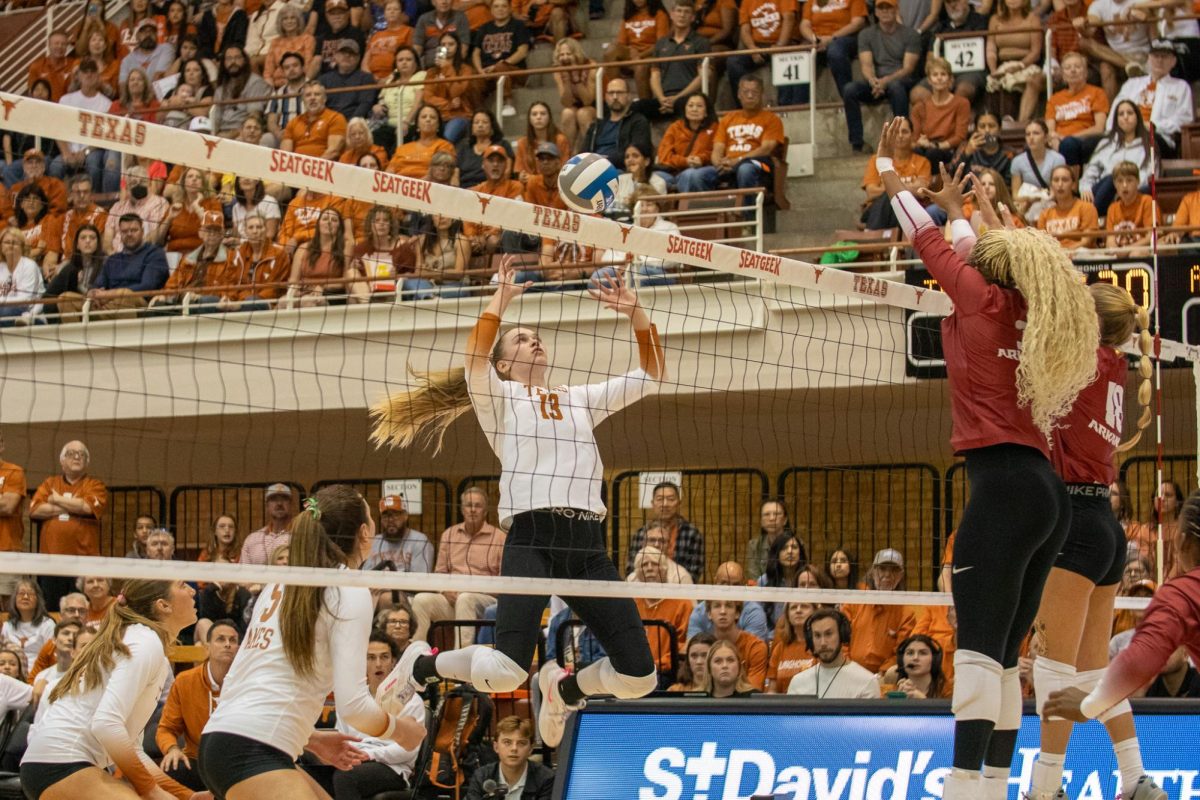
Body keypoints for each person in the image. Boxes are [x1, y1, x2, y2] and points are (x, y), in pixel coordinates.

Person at [875, 117, 1098, 800]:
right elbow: (971, 242)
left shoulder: (975, 294)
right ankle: (991, 788)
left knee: (978, 653)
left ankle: (963, 787)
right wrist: (959, 207)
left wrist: (888, 169)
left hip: (1002, 489)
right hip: (1046, 496)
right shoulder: (1029, 303)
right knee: (1004, 660)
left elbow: (925, 237)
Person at [371, 257, 664, 748]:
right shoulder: (500, 397)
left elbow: (653, 372)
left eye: (535, 335)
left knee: (640, 677)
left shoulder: (580, 397)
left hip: (585, 546)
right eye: (521, 338)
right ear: (503, 362)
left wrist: (636, 313)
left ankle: (564, 688)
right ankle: (421, 665)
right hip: (531, 537)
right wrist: (500, 299)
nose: (534, 340)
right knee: (506, 671)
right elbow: (475, 357)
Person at [200, 486, 428, 798]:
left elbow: (239, 680)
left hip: (222, 740)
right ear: (364, 533)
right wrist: (403, 731)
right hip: (254, 749)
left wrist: (312, 738)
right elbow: (354, 707)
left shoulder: (283, 583)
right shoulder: (348, 588)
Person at [1025, 283, 1161, 800]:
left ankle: (1044, 790)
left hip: (1075, 522)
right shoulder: (1116, 365)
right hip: (1104, 522)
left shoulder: (1078, 363)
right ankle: (1134, 778)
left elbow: (1041, 304)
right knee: (1093, 673)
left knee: (1055, 673)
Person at [1044, 488, 1200, 773]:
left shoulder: (1184, 594)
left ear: (1182, 540)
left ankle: (1045, 784)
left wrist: (1089, 704)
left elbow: (1139, 660)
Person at [19, 579, 199, 800]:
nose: (193, 590)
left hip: (50, 764)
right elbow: (106, 724)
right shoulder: (145, 641)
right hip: (62, 763)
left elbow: (132, 749)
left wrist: (186, 796)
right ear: (163, 605)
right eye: (183, 585)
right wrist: (151, 791)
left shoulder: (142, 642)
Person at [331, 633, 426, 799]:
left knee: (345, 778)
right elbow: (342, 737)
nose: (378, 664)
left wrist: (370, 755)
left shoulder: (411, 699)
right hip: (355, 759)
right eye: (371, 658)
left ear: (394, 662)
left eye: (384, 657)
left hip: (392, 767)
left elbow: (409, 751)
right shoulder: (351, 699)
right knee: (312, 771)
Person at [409, 488, 505, 646]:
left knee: (466, 598)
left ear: (485, 511)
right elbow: (439, 573)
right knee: (421, 600)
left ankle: (460, 658)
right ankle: (416, 654)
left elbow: (503, 583)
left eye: (478, 505)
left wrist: (471, 590)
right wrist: (445, 591)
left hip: (484, 601)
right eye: (468, 505)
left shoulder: (499, 537)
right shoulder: (449, 534)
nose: (473, 510)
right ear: (462, 509)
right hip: (453, 599)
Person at [156, 619, 242, 792]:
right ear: (206, 647)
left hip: (237, 764)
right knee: (172, 767)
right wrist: (172, 749)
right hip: (197, 761)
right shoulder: (185, 681)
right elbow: (166, 729)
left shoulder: (248, 682)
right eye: (220, 639)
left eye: (232, 640)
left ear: (239, 649)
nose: (227, 645)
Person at [676, 75, 781, 211]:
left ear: (762, 94)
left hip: (757, 164)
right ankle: (709, 215)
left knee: (745, 169)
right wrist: (719, 163)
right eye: (745, 92)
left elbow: (767, 148)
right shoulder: (728, 119)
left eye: (754, 92)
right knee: (695, 175)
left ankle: (746, 218)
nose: (750, 95)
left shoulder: (772, 119)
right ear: (738, 94)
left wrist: (738, 160)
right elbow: (718, 148)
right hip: (727, 165)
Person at [29, 442, 108, 608]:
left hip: (84, 563)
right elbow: (35, 510)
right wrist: (74, 505)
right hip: (51, 563)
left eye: (82, 454)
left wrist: (57, 499)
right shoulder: (49, 483)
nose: (77, 457)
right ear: (62, 461)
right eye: (71, 453)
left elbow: (87, 507)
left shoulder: (95, 485)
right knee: (51, 608)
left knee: (81, 608)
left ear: (87, 462)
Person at [842, 0, 920, 152]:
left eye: (888, 7)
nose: (884, 11)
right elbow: (866, 64)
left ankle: (902, 139)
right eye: (881, 8)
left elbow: (908, 68)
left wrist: (886, 81)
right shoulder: (866, 34)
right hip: (877, 82)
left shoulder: (910, 34)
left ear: (896, 9)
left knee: (896, 88)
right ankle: (857, 143)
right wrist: (873, 81)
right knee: (850, 89)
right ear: (876, 12)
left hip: (900, 80)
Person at [1108, 39, 1193, 159]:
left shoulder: (1180, 87)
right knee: (1088, 144)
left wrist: (1154, 126)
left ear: (1173, 61)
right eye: (1156, 56)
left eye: (1164, 56)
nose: (1159, 60)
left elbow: (1184, 120)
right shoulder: (1131, 84)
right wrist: (1112, 133)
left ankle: (1142, 174)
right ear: (1149, 58)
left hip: (1160, 137)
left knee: (1146, 139)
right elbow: (1114, 113)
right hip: (1125, 134)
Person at [630, 0, 709, 123]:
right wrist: (661, 98)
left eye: (687, 12)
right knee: (635, 108)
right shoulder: (661, 43)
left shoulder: (701, 42)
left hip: (688, 98)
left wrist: (677, 98)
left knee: (691, 106)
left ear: (693, 17)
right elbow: (655, 75)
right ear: (672, 15)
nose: (682, 15)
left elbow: (702, 76)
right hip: (664, 99)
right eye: (679, 11)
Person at [842, 548, 918, 674]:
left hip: (882, 677)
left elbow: (901, 651)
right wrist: (847, 667)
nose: (887, 575)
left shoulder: (906, 614)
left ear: (901, 575)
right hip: (848, 670)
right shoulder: (854, 600)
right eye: (882, 569)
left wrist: (882, 673)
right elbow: (841, 639)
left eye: (893, 570)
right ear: (873, 572)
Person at [1080, 100, 1155, 218]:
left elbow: (1148, 175)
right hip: (1105, 193)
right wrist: (1085, 188)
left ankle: (1090, 217)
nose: (1125, 117)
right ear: (1116, 119)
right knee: (1112, 177)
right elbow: (1091, 170)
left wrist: (1125, 190)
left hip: (1134, 192)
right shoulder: (1106, 144)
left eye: (1130, 113)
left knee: (1128, 180)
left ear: (1137, 117)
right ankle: (1090, 217)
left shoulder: (1148, 146)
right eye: (1121, 114)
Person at [787, 608, 880, 698]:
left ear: (842, 635)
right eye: (817, 635)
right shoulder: (798, 683)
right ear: (811, 640)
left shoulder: (867, 682)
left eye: (828, 634)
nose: (823, 643)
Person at [631, 546, 693, 680]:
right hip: (635, 674)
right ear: (637, 573)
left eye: (654, 563)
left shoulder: (682, 603)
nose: (649, 568)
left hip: (668, 674)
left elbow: (683, 645)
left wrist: (657, 665)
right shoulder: (631, 604)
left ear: (665, 569)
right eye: (644, 564)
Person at [860, 115, 931, 231]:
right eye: (896, 132)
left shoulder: (922, 162)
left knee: (897, 198)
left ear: (913, 135)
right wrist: (904, 188)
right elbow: (871, 192)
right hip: (877, 210)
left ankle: (871, 236)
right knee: (892, 198)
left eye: (905, 132)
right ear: (890, 135)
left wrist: (888, 188)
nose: (900, 136)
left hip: (910, 210)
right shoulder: (877, 160)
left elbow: (921, 191)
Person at [626, 482, 704, 582]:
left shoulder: (691, 533)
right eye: (660, 499)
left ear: (679, 503)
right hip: (643, 590)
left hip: (678, 589)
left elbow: (694, 572)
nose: (665, 504)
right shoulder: (641, 534)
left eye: (671, 499)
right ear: (652, 503)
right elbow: (632, 567)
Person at [1045, 52, 1109, 174]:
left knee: (1069, 144)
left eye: (1077, 67)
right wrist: (1055, 140)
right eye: (1068, 68)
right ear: (1063, 75)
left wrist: (1069, 137)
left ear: (1085, 73)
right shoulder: (1055, 99)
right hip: (1060, 142)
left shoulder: (1097, 93)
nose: (1073, 70)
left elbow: (1099, 128)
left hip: (1086, 140)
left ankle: (1072, 186)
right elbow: (1050, 130)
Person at [466, 717, 554, 800]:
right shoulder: (481, 777)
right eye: (507, 742)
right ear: (496, 747)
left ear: (530, 749)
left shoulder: (546, 779)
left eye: (521, 743)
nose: (514, 748)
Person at [471, 0, 532, 118]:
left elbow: (522, 51)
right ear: (491, 10)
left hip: (513, 70)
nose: (500, 9)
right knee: (472, 79)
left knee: (501, 67)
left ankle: (507, 102)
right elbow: (476, 53)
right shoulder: (484, 28)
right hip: (487, 73)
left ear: (510, 9)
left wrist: (498, 66)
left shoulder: (518, 25)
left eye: (504, 6)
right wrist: (480, 71)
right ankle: (480, 113)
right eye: (496, 6)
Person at [984, 0, 1042, 123]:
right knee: (993, 81)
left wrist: (1019, 65)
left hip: (1026, 65)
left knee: (1012, 81)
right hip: (1002, 65)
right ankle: (996, 125)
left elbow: (1036, 52)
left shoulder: (1033, 19)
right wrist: (993, 69)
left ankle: (1017, 125)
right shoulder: (995, 20)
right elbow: (991, 49)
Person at [798, 0, 867, 103]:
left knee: (835, 51)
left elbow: (857, 23)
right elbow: (804, 25)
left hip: (845, 37)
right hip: (817, 40)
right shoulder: (812, 2)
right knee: (800, 56)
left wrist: (831, 38)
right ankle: (799, 103)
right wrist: (815, 40)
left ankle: (848, 98)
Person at [911, 57, 970, 173]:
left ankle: (936, 186)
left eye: (943, 74)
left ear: (950, 79)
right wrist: (920, 142)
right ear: (929, 80)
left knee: (933, 153)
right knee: (917, 151)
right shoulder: (919, 107)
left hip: (948, 148)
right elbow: (915, 137)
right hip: (927, 146)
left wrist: (937, 145)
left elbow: (960, 137)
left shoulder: (962, 103)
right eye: (935, 75)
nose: (939, 78)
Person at [581, 77, 653, 171]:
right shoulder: (596, 126)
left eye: (619, 92)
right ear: (606, 97)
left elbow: (636, 153)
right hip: (594, 170)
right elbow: (583, 153)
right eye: (611, 93)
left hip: (621, 169)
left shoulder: (638, 122)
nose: (615, 97)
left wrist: (602, 161)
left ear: (629, 96)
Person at [423, 32, 480, 144]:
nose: (447, 47)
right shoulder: (431, 72)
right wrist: (448, 104)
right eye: (443, 44)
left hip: (460, 115)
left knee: (445, 139)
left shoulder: (466, 70)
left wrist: (448, 69)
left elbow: (456, 92)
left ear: (457, 47)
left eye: (451, 44)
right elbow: (428, 97)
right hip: (438, 116)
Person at [687, 562, 770, 639]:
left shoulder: (754, 613)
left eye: (736, 585)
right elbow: (693, 647)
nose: (730, 590)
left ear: (744, 583)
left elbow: (753, 649)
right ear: (715, 582)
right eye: (724, 584)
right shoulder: (699, 611)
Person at [654, 92, 717, 191]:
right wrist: (685, 161)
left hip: (705, 169)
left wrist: (701, 159)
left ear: (706, 112)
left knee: (690, 174)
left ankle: (688, 206)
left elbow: (718, 152)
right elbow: (664, 155)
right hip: (675, 171)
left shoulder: (715, 128)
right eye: (690, 105)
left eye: (699, 106)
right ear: (685, 109)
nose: (694, 109)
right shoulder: (675, 127)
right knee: (654, 178)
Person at [1011, 120, 1065, 224]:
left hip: (1051, 202)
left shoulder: (1057, 159)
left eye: (1036, 133)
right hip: (1028, 203)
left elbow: (1058, 189)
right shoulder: (1017, 161)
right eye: (1028, 134)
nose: (1031, 137)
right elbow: (1015, 194)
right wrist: (1032, 198)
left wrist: (1042, 197)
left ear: (1045, 137)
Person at [1127, 482, 1184, 580]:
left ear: (1177, 502)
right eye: (1158, 495)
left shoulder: (1183, 529)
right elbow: (1145, 563)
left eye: (1168, 495)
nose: (1162, 498)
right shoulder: (1145, 530)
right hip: (1150, 584)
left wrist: (1167, 584)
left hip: (1178, 583)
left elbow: (1180, 563)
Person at [364, 494, 434, 573]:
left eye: (395, 514)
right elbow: (365, 575)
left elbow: (419, 580)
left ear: (405, 516)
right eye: (386, 516)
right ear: (381, 519)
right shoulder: (373, 542)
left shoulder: (420, 541)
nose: (390, 519)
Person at [706, 599, 767, 689]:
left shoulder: (755, 646)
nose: (723, 611)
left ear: (737, 613)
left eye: (729, 606)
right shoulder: (705, 646)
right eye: (717, 606)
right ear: (709, 614)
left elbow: (753, 691)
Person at [280, 81, 348, 160]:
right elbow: (284, 154)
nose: (312, 98)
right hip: (296, 169)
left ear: (324, 99)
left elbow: (333, 151)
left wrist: (312, 167)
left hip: (323, 168)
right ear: (303, 100)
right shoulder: (293, 122)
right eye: (308, 95)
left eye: (317, 94)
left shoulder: (336, 118)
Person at [1037, 165, 1099, 250]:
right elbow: (1042, 244)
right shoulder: (1045, 214)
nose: (1060, 184)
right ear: (1051, 185)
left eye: (1065, 180)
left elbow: (1086, 242)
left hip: (1080, 257)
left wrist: (1065, 253)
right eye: (1056, 180)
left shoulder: (1087, 208)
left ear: (1073, 184)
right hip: (1055, 258)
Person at [1104, 161, 1159, 254]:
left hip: (1141, 251)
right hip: (1119, 252)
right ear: (1114, 184)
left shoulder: (1147, 202)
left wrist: (1126, 250)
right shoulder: (1112, 208)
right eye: (1120, 181)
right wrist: (1115, 250)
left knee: (1136, 254)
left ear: (1138, 181)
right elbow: (1110, 239)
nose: (1124, 185)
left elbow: (1151, 237)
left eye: (1129, 180)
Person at [386, 105, 455, 178]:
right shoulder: (402, 148)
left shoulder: (445, 146)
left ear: (438, 125)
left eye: (433, 117)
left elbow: (442, 174)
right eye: (424, 117)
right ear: (417, 124)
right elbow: (389, 171)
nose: (428, 119)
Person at [2, 579, 56, 674]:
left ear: (38, 599)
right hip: (11, 675)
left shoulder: (48, 624)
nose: (25, 597)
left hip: (40, 674)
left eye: (30, 594)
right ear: (14, 599)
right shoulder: (7, 626)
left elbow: (52, 656)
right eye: (21, 593)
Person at [551, 38, 598, 148]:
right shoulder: (558, 70)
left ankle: (590, 152)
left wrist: (576, 77)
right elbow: (567, 103)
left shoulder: (590, 65)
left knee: (583, 114)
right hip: (576, 105)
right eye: (561, 55)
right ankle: (568, 155)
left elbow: (587, 101)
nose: (565, 58)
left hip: (596, 104)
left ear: (576, 54)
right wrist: (567, 80)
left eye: (568, 54)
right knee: (567, 113)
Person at [319, 40, 378, 122]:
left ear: (358, 58)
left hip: (355, 124)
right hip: (328, 122)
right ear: (336, 56)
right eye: (343, 52)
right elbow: (320, 105)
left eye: (351, 53)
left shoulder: (366, 78)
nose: (347, 55)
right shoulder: (323, 79)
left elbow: (365, 104)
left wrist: (351, 123)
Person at [766, 601, 818, 693]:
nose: (798, 610)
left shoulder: (820, 645)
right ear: (788, 616)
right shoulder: (780, 648)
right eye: (793, 607)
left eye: (804, 606)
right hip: (783, 705)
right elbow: (772, 690)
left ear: (815, 612)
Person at [240, 483, 296, 565]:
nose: (279, 503)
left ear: (291, 505)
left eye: (284, 499)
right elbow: (243, 574)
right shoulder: (252, 539)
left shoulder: (300, 537)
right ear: (267, 505)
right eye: (274, 499)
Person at [0, 226, 45, 323]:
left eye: (15, 243)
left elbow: (25, 300)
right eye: (7, 242)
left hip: (30, 316)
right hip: (5, 312)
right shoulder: (1, 267)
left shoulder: (29, 266)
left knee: (5, 311)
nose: (10, 245)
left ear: (23, 247)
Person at [885, 633, 951, 698]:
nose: (915, 658)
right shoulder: (892, 686)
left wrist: (921, 699)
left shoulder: (948, 689)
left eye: (923, 653)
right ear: (901, 660)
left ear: (935, 660)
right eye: (910, 653)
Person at [745, 498, 791, 582]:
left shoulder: (795, 545)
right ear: (761, 521)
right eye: (766, 514)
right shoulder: (754, 545)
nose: (772, 518)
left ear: (785, 520)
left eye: (777, 514)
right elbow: (754, 578)